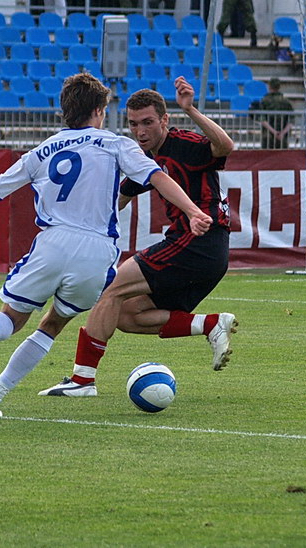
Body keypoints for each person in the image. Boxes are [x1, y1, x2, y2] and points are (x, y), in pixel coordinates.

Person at [0, 73, 212, 418]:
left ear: (64, 111)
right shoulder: (116, 144)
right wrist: (192, 211)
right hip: (97, 251)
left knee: (12, 316)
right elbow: (158, 177)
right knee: (52, 324)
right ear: (99, 110)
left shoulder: (41, 151)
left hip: (53, 241)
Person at [39, 77, 237, 398]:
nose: (140, 131)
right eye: (133, 124)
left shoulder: (183, 143)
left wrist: (191, 109)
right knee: (128, 315)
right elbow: (116, 201)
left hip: (198, 241)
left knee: (111, 289)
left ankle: (82, 381)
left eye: (147, 123)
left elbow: (225, 146)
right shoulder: (142, 161)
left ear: (165, 120)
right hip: (203, 253)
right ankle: (210, 324)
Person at [258, 77, 294, 149]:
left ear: (269, 86)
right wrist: (282, 133)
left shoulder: (265, 101)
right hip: (282, 137)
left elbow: (262, 120)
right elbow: (291, 121)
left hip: (268, 136)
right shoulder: (286, 101)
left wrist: (274, 132)